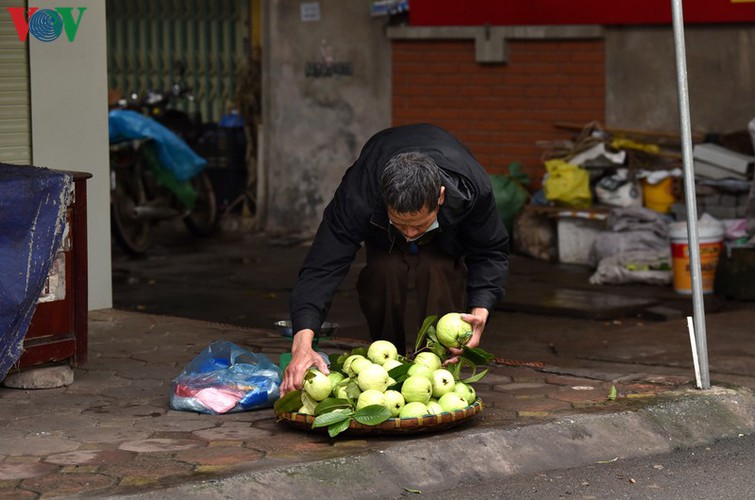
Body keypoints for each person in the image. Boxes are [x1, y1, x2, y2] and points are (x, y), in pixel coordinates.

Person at [280, 123, 509, 394]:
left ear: (440, 197)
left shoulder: (471, 189)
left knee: (437, 269)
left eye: (419, 226)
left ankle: (439, 362)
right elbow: (322, 268)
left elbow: (490, 251)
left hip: (444, 232)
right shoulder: (359, 194)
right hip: (381, 224)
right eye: (402, 224)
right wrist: (303, 346)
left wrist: (480, 311)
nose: (410, 235)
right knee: (383, 271)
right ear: (383, 200)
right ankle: (387, 362)